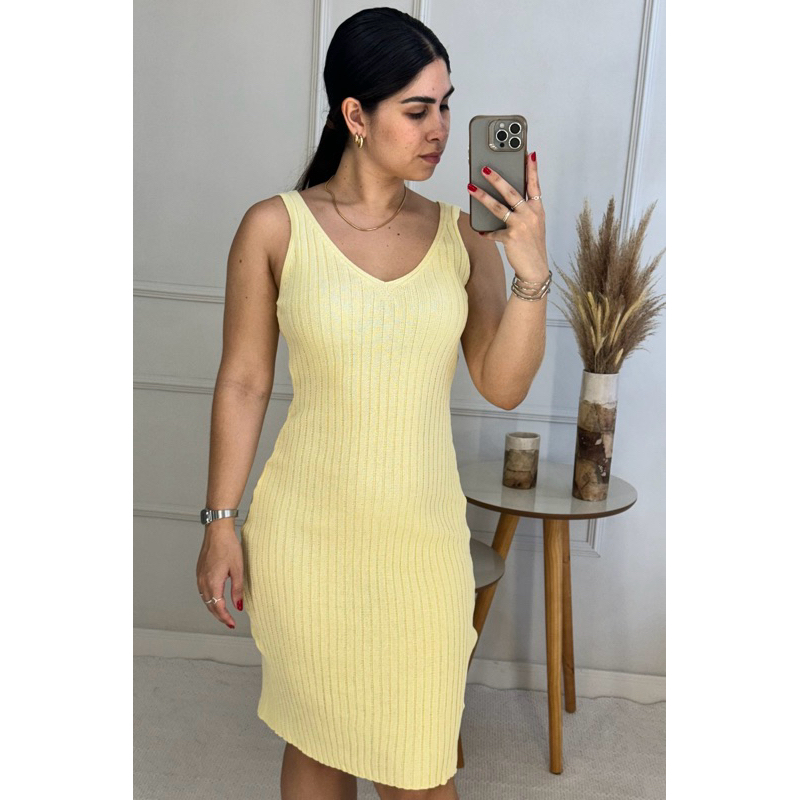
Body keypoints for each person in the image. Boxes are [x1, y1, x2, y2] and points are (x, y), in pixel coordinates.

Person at [195, 7, 549, 800]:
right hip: (304, 539)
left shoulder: (466, 238)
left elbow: (503, 385)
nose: (440, 128)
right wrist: (220, 522)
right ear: (356, 115)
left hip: (421, 545)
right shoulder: (274, 228)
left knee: (419, 770)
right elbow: (244, 381)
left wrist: (531, 272)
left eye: (446, 105)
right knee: (317, 743)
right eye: (417, 110)